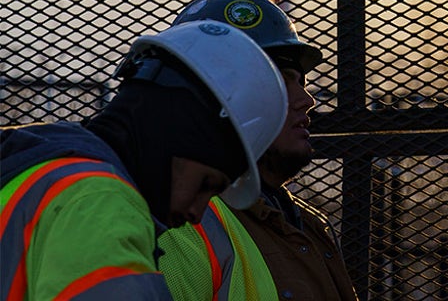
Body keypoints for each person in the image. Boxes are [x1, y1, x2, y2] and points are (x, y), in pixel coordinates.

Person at [0, 21, 285, 301]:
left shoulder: (32, 167)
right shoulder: (100, 202)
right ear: (178, 131)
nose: (197, 213)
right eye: (205, 184)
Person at [154, 0, 358, 300]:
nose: (307, 100)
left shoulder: (306, 224)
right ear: (217, 94)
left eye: (300, 81)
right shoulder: (180, 226)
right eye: (282, 79)